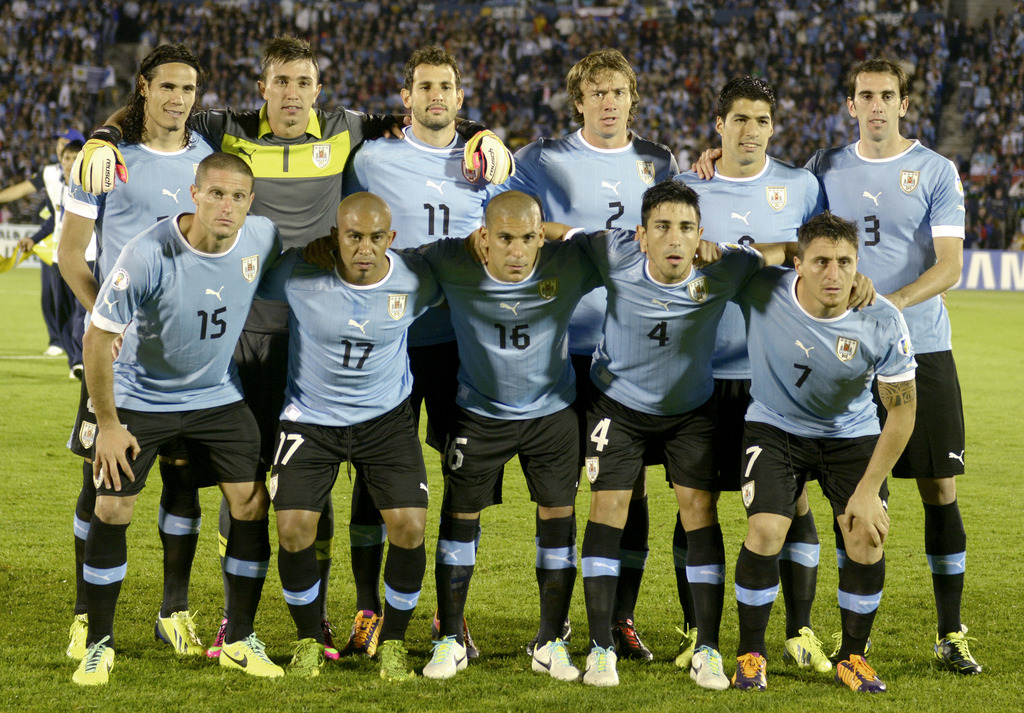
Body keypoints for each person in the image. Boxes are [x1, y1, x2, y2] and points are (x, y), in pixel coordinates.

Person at [75, 36, 513, 657]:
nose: (292, 94)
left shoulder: (345, 129)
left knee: (333, 473)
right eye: (280, 82)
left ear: (317, 89)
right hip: (251, 329)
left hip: (329, 323)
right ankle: (237, 618)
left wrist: (481, 131)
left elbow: (426, 114)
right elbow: (148, 113)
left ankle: (357, 615)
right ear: (262, 87)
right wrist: (101, 134)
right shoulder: (225, 126)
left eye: (303, 82)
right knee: (252, 479)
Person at [72, 153, 282, 685]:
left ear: (250, 203)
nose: (226, 206)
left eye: (237, 197)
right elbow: (96, 338)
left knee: (251, 502)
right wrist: (109, 423)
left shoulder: (262, 238)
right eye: (215, 194)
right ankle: (99, 643)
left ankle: (237, 639)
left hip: (216, 396)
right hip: (142, 398)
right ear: (194, 194)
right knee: (113, 505)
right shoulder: (147, 252)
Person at [805, 58, 981, 674]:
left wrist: (890, 305)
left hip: (921, 348)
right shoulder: (824, 168)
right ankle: (850, 634)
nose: (876, 105)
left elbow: (951, 266)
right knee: (850, 494)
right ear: (849, 105)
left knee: (939, 489)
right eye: (864, 96)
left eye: (887, 95)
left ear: (904, 103)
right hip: (843, 354)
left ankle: (951, 632)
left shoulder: (935, 170)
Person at [506, 47, 678, 660]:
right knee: (556, 489)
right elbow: (511, 220)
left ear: (633, 99)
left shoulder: (659, 161)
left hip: (629, 350)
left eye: (618, 92)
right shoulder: (542, 157)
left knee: (627, 489)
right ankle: (552, 625)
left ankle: (621, 616)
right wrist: (579, 236)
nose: (608, 102)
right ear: (578, 101)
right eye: (596, 92)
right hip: (557, 345)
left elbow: (678, 224)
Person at [341, 46, 498, 659]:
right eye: (424, 85)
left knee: (466, 481)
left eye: (447, 86)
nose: (436, 95)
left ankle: (450, 617)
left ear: (461, 98)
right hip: (388, 342)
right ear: (404, 97)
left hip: (462, 344)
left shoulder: (486, 162)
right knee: (372, 475)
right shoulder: (372, 157)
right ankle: (366, 609)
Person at [59, 43, 215, 662]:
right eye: (168, 87)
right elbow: (70, 255)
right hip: (118, 357)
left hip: (190, 355)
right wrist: (106, 316)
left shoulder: (210, 161)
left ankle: (173, 612)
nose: (178, 100)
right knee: (107, 481)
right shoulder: (104, 160)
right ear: (144, 88)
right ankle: (83, 615)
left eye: (189, 90)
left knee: (184, 483)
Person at [674, 77, 831, 675]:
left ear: (773, 126)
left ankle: (801, 630)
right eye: (739, 119)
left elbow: (818, 250)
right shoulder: (688, 188)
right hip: (704, 371)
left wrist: (755, 251)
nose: (750, 130)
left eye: (761, 120)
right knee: (699, 503)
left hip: (775, 370)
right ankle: (699, 630)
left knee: (791, 500)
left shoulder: (799, 185)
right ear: (719, 126)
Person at [730, 211, 917, 694]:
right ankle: (751, 653)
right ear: (798, 263)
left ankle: (852, 658)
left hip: (851, 437)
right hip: (775, 428)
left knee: (865, 537)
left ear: (858, 264)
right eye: (820, 262)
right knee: (767, 529)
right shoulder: (763, 289)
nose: (833, 274)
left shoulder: (883, 318)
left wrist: (870, 491)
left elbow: (902, 414)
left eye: (844, 262)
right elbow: (730, 259)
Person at [418, 191, 601, 682]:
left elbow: (626, 253)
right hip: (478, 414)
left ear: (542, 237)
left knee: (558, 521)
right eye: (504, 238)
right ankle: (449, 638)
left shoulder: (568, 262)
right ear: (483, 238)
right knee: (459, 519)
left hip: (553, 417)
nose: (517, 251)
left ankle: (550, 642)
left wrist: (568, 233)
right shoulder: (450, 260)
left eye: (527, 239)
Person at [0, 129, 85, 358]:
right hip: (53, 246)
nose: (60, 146)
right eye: (59, 143)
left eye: (65, 143)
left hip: (84, 250)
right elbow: (24, 192)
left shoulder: (89, 175)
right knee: (51, 296)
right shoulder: (50, 174)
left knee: (81, 305)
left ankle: (79, 352)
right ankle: (59, 341)